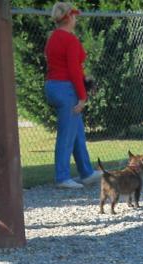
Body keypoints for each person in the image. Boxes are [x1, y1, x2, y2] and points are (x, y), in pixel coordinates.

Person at [44, 2, 101, 190]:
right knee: (66, 136)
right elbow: (75, 71)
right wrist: (83, 97)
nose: (76, 19)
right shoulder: (70, 40)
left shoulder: (52, 38)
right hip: (66, 89)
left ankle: (86, 173)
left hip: (52, 86)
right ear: (68, 18)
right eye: (74, 16)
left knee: (76, 133)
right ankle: (62, 177)